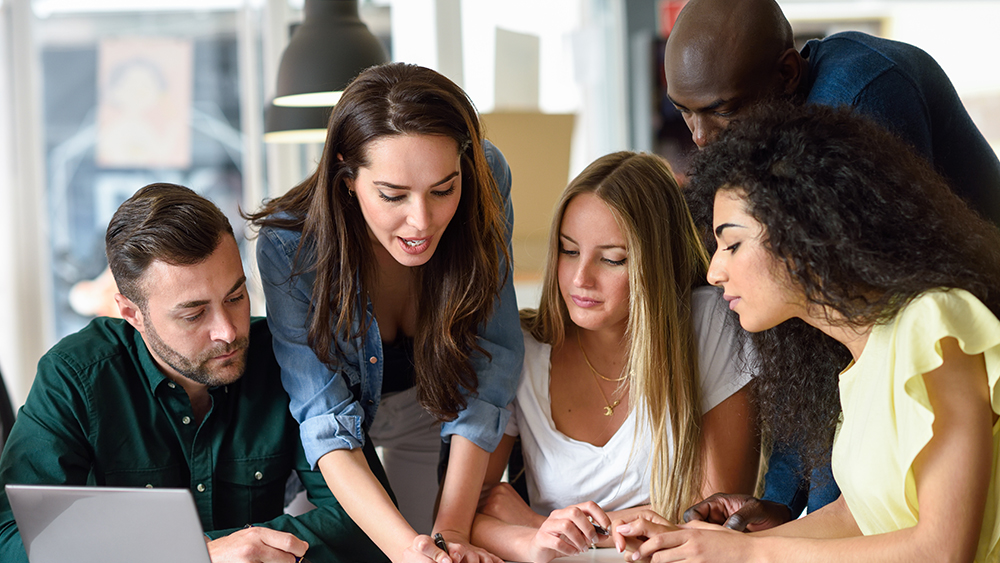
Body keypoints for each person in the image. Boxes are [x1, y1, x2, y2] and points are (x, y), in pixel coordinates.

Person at [612, 102, 1000, 563]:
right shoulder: (858, 358)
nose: (715, 271)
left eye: (732, 244)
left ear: (804, 231)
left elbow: (942, 549)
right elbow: (857, 517)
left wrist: (748, 556)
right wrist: (708, 544)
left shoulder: (934, 327)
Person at [663, 0, 1000, 526]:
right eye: (684, 112)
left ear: (787, 74)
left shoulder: (857, 102)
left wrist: (801, 523)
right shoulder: (776, 137)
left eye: (723, 110)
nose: (701, 138)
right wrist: (779, 502)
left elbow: (844, 347)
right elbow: (804, 341)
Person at [0, 183, 385, 563]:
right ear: (132, 314)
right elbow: (11, 538)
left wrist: (241, 549)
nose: (229, 331)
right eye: (193, 314)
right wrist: (196, 554)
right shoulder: (74, 377)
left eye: (236, 297)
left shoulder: (286, 359)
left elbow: (369, 524)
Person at [247, 62, 523, 563]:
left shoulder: (486, 177)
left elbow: (491, 361)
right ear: (347, 176)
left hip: (435, 402)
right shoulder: (290, 246)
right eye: (393, 195)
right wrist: (406, 551)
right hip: (340, 436)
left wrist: (451, 534)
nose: (422, 220)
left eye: (443, 189)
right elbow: (325, 419)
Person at [468, 152, 758, 563]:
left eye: (612, 259)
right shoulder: (523, 348)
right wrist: (532, 540)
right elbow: (470, 514)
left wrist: (541, 524)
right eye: (569, 251)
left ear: (655, 263)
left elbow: (714, 516)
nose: (580, 279)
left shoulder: (709, 322)